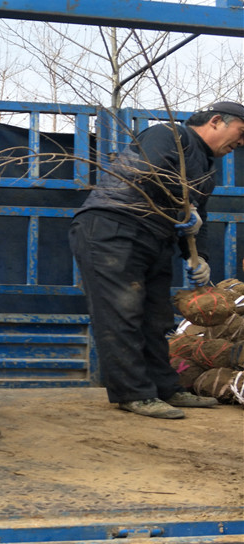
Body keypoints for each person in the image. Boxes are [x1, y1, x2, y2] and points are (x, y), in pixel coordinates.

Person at [69, 101, 244, 419]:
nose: (241, 143)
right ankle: (133, 393)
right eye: (241, 132)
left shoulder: (206, 167)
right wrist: (184, 209)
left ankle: (165, 388)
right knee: (122, 313)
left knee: (156, 317)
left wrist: (199, 257)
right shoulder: (169, 135)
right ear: (217, 121)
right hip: (113, 227)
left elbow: (197, 215)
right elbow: (150, 172)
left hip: (154, 236)